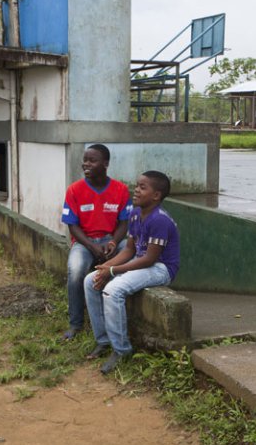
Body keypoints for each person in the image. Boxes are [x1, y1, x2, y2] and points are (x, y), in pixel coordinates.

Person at [84, 170, 180, 374]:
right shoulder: (135, 213)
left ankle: (121, 350)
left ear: (156, 195)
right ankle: (103, 340)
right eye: (136, 185)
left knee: (113, 290)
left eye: (142, 187)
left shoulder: (160, 220)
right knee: (89, 281)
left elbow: (150, 259)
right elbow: (129, 250)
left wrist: (112, 270)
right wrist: (105, 268)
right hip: (141, 262)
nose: (135, 190)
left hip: (161, 268)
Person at [61, 144, 130, 340]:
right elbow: (72, 226)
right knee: (75, 271)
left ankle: (116, 310)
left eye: (92, 160)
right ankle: (75, 323)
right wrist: (92, 245)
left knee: (131, 252)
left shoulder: (121, 189)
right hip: (84, 242)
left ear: (105, 164)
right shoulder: (74, 190)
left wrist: (114, 242)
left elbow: (124, 223)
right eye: (85, 160)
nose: (86, 164)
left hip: (111, 241)